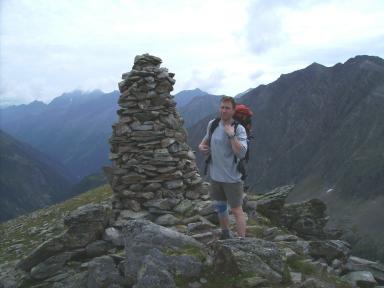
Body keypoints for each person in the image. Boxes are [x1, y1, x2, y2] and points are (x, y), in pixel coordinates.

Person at [198, 96, 247, 239]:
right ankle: (226, 234)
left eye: (227, 108)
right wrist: (202, 147)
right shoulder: (212, 124)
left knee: (237, 210)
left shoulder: (239, 129)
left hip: (232, 178)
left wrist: (231, 135)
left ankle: (242, 241)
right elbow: (204, 141)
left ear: (233, 111)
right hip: (215, 176)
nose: (224, 110)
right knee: (220, 206)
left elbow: (241, 153)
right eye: (222, 107)